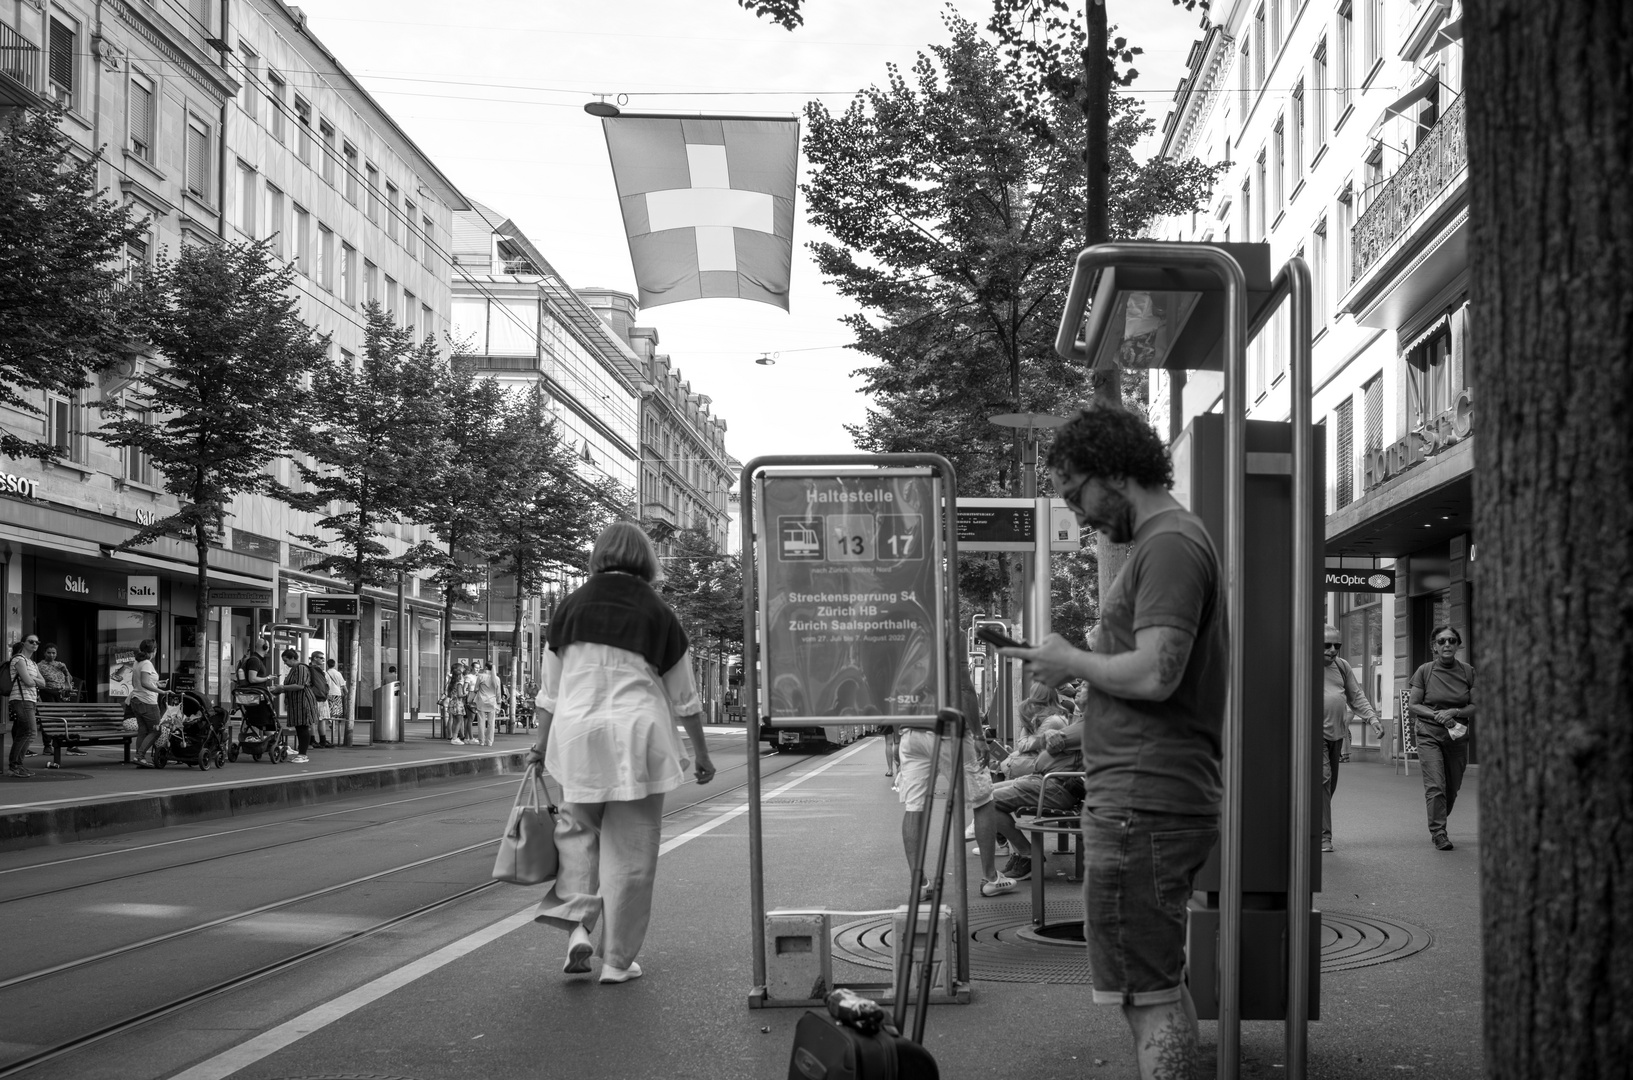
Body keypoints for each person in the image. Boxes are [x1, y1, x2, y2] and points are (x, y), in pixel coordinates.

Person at [999, 406, 1225, 1080]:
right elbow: (1128, 656)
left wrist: (1071, 660)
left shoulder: (1170, 544)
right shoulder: (1168, 542)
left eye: (1076, 494)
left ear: (1116, 471)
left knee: (1146, 996)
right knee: (1155, 985)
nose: (1079, 512)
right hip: (1146, 800)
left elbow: (1157, 672)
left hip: (1142, 802)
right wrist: (1061, 667)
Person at [524, 521, 716, 985]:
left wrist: (540, 744)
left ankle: (577, 931)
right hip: (639, 737)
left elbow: (550, 692)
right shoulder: (659, 612)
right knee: (631, 851)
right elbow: (684, 697)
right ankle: (617, 960)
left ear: (598, 556)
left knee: (577, 836)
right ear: (646, 560)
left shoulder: (569, 608)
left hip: (578, 737)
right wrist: (702, 753)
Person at [1408, 625, 1475, 851]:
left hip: (1457, 734)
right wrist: (1438, 715)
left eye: (1451, 641)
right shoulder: (1425, 671)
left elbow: (1475, 704)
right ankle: (1439, 832)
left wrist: (1454, 713)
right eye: (1441, 641)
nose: (1446, 644)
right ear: (1434, 647)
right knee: (1436, 785)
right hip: (1429, 733)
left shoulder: (1468, 671)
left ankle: (1437, 813)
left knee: (1452, 786)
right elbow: (1414, 704)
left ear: (1458, 645)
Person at [1319, 626, 1381, 852]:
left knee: (1329, 785)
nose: (1333, 650)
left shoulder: (1342, 666)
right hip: (1312, 736)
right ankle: (1323, 837)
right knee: (1323, 780)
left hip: (1336, 735)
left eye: (1337, 645)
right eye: (1327, 645)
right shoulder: (1302, 664)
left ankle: (1311, 821)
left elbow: (1356, 696)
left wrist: (1373, 720)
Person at [268, 647, 320, 763]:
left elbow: (300, 685)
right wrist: (278, 689)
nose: (285, 663)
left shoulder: (301, 668)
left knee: (303, 727)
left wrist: (282, 687)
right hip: (297, 702)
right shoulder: (294, 669)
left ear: (292, 658)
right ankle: (301, 753)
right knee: (300, 726)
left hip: (303, 701)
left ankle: (303, 754)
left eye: (286, 660)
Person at [34, 644, 87, 756]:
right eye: (49, 652)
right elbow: (38, 681)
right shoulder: (39, 666)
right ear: (44, 653)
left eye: (54, 653)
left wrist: (65, 672)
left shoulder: (60, 665)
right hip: (47, 693)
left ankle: (71, 745)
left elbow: (70, 680)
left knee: (67, 717)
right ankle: (48, 745)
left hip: (61, 694)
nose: (51, 655)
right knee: (50, 719)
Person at [7, 636, 43, 777]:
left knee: (24, 733)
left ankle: (17, 765)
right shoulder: (18, 659)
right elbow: (28, 682)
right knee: (30, 732)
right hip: (21, 699)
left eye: (37, 642)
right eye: (31, 641)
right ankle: (14, 766)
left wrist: (31, 678)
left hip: (31, 700)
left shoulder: (33, 663)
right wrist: (34, 679)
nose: (35, 644)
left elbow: (44, 683)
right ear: (23, 644)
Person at [130, 639, 164, 768]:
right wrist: (161, 691)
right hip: (148, 702)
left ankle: (140, 759)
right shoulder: (147, 664)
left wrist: (156, 684)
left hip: (137, 700)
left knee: (143, 731)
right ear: (153, 651)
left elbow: (136, 682)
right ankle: (140, 756)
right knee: (156, 730)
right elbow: (144, 683)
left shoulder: (137, 662)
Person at [472, 660, 502, 747]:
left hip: (481, 700)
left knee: (481, 721)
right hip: (492, 701)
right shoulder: (496, 678)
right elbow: (498, 692)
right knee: (491, 723)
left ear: (485, 667)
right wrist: (499, 701)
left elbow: (476, 688)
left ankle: (481, 741)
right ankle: (489, 741)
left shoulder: (481, 676)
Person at [308, 651, 332, 748]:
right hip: (315, 697)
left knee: (321, 719)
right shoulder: (310, 669)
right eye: (321, 658)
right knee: (314, 720)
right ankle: (313, 740)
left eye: (323, 658)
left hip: (321, 697)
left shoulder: (320, 671)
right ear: (314, 658)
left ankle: (322, 740)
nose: (323, 660)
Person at [443, 661, 469, 744]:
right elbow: (460, 695)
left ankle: (454, 737)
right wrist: (466, 694)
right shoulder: (459, 684)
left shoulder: (451, 683)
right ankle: (455, 737)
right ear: (459, 676)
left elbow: (450, 694)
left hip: (452, 703)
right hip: (458, 703)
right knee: (459, 721)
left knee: (454, 720)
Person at [324, 658, 347, 744]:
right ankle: (334, 723)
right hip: (337, 693)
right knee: (336, 708)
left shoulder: (326, 673)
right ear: (335, 665)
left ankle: (330, 722)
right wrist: (346, 692)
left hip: (329, 693)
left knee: (329, 708)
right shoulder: (338, 674)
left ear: (327, 665)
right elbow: (342, 684)